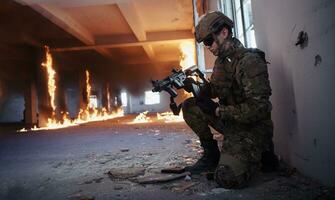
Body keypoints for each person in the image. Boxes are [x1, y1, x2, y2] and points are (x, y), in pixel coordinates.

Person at [182, 11, 278, 188]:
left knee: (227, 177)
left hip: (253, 129)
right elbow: (216, 89)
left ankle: (263, 154)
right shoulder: (221, 62)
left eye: (209, 41)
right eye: (205, 43)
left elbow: (259, 108)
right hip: (232, 122)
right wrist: (195, 87)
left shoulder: (250, 61)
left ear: (224, 32)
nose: (208, 46)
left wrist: (218, 110)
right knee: (190, 106)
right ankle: (211, 156)